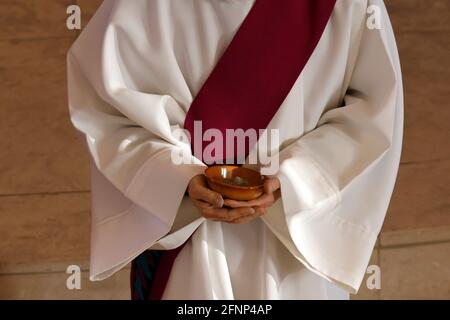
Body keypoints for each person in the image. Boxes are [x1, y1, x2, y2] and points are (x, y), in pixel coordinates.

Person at [67, 0, 403, 299]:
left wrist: (296, 177)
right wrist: (175, 176)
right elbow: (104, 109)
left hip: (292, 243)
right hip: (189, 243)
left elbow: (373, 115)